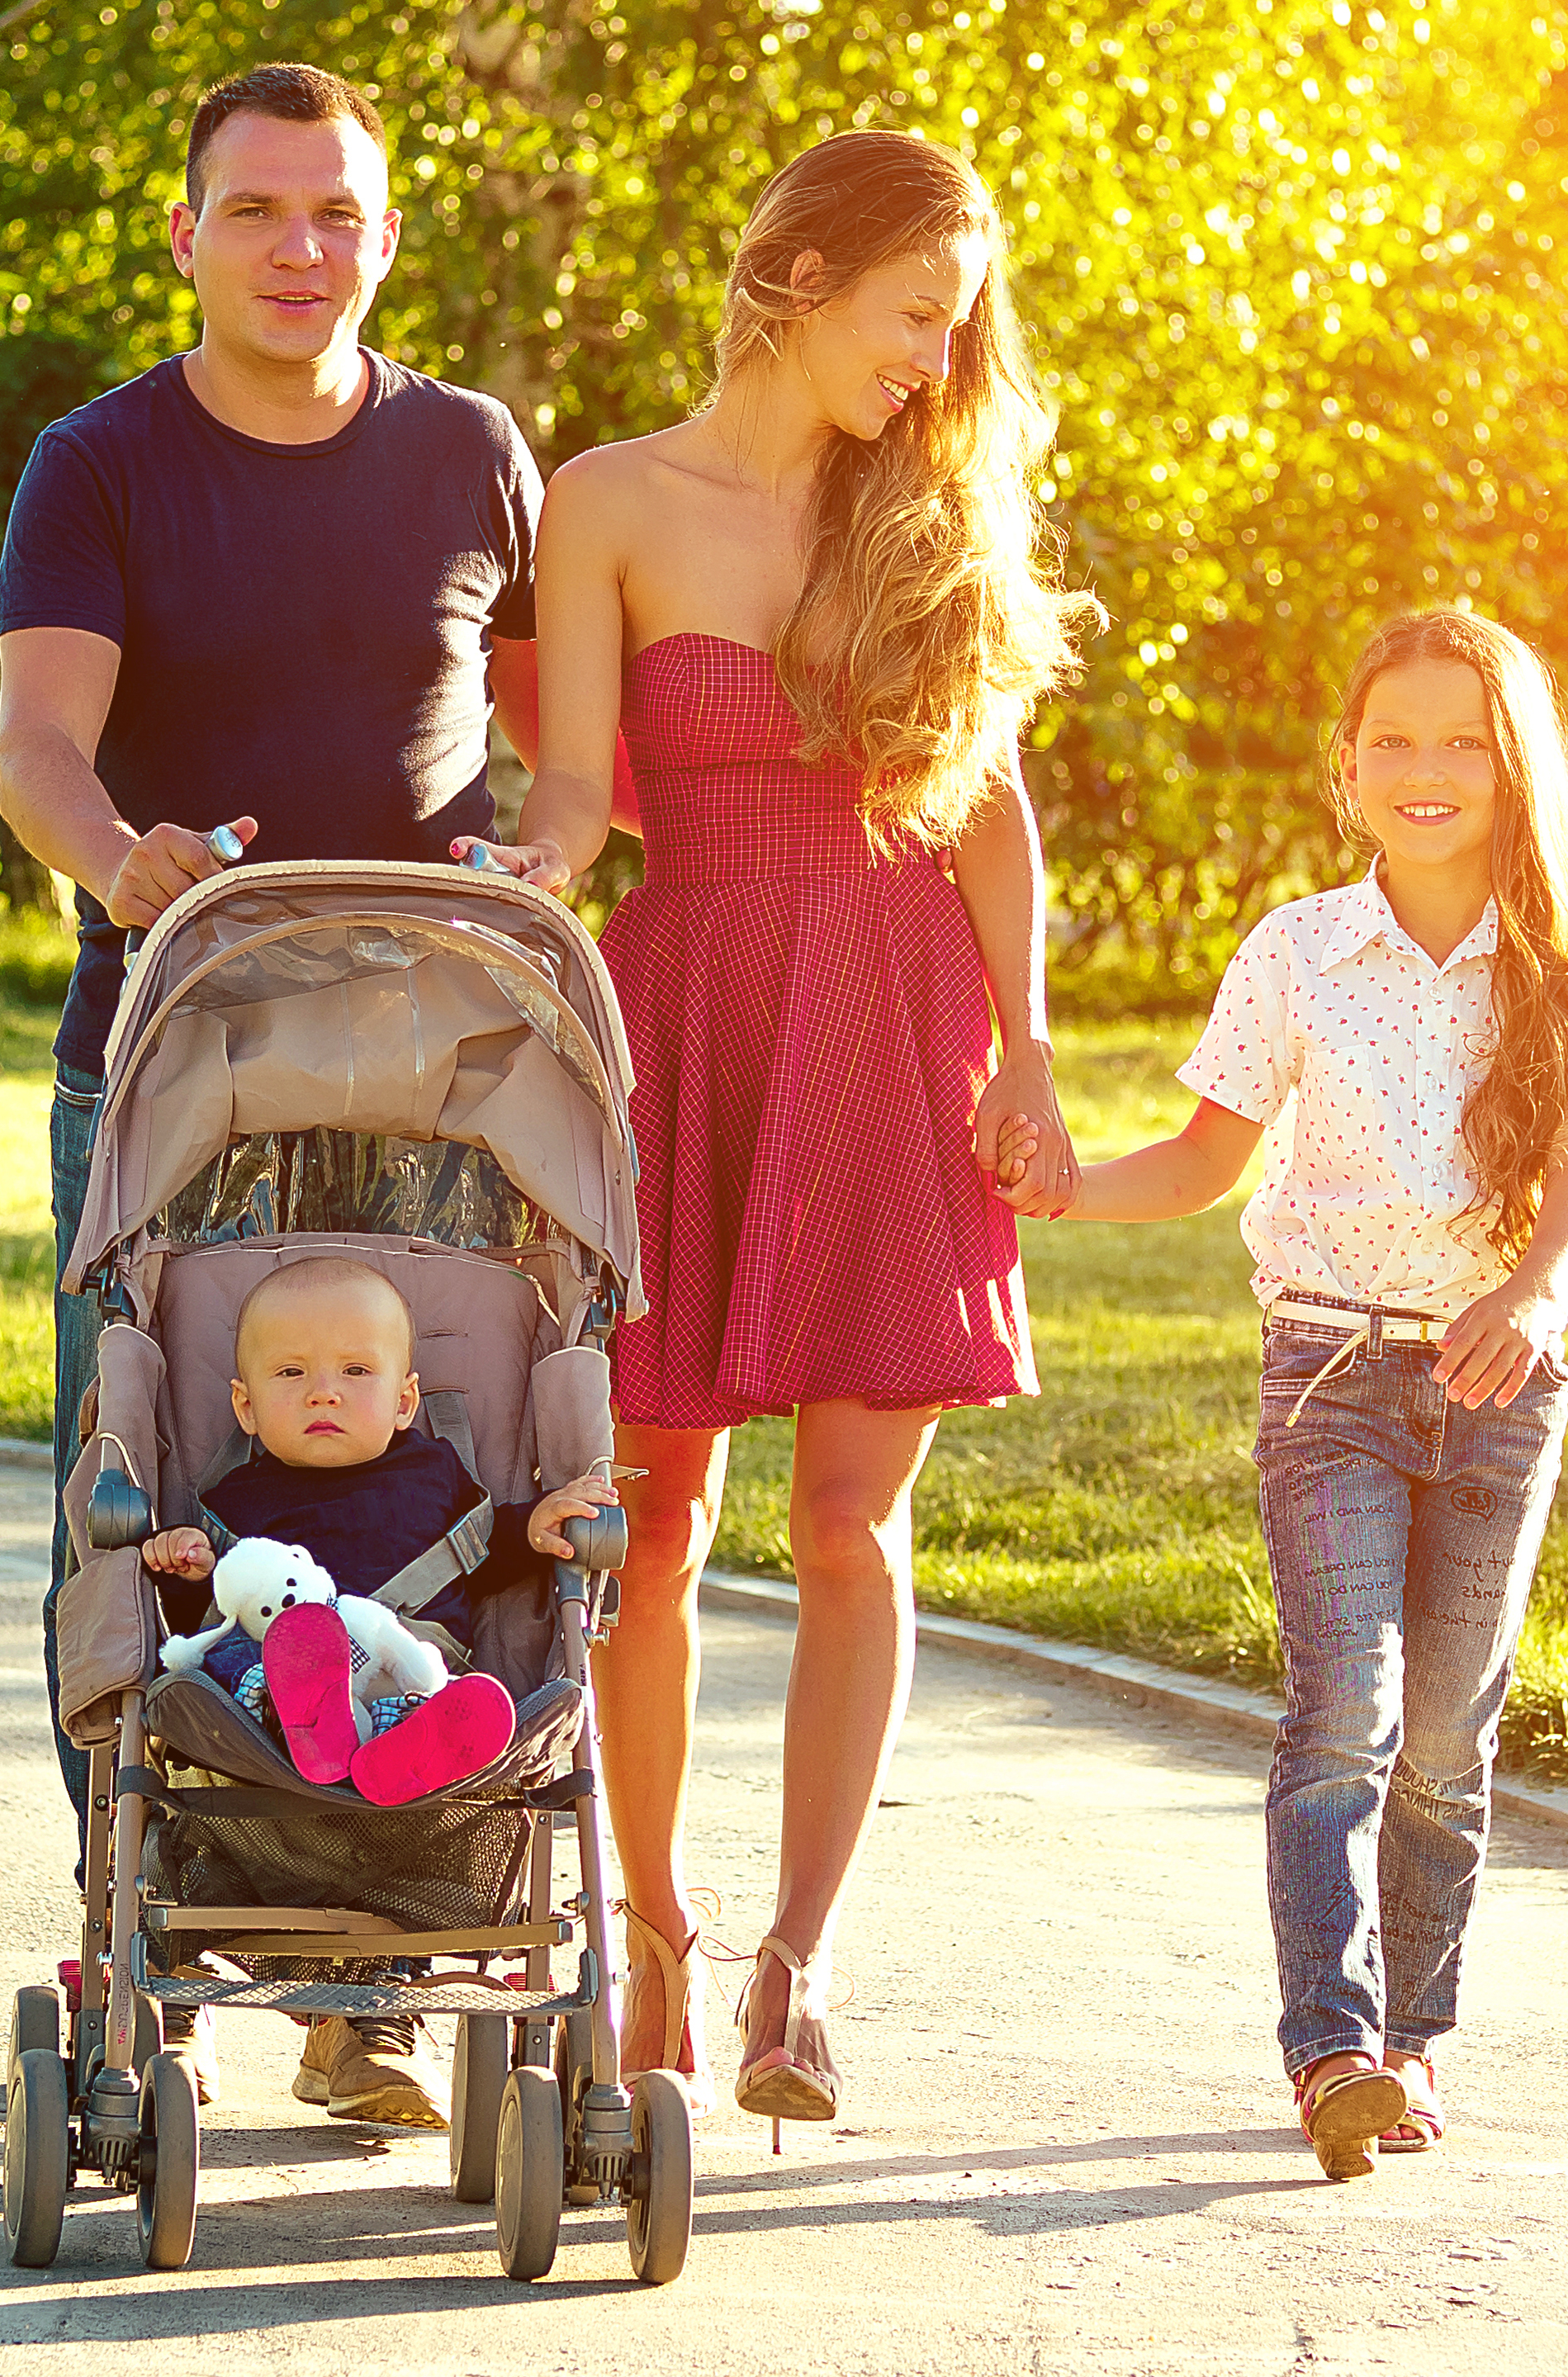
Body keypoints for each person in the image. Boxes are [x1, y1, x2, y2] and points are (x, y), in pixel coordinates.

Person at [459, 130, 1097, 2124]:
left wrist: (1031, 1054)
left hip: (895, 1023)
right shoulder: (608, 504)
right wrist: (514, 874)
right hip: (693, 1008)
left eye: (954, 326)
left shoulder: (926, 513)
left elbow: (981, 802)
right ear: (795, 278)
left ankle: (791, 1965)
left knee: (848, 1522)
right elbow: (575, 794)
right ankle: (646, 1930)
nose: (933, 358)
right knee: (648, 1525)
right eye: (913, 312)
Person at [0, 58, 551, 2121]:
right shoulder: (102, 464)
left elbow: (559, 749)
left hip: (437, 1090)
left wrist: (559, 841)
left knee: (419, 1502)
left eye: (337, 214)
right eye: (258, 212)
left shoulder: (474, 453)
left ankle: (377, 1979)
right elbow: (39, 749)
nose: (299, 250)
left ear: (382, 237)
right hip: (174, 1071)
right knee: (140, 1502)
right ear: (185, 237)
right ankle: (135, 1927)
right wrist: (116, 855)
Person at [999, 608, 1568, 2179]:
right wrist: (1058, 1191)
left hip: (1499, 1378)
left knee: (1445, 1730)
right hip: (1330, 1372)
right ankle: (1333, 2049)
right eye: (1391, 740)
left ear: (1512, 769)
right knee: (1343, 1710)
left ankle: (1414, 2041)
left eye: (1458, 741)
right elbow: (1200, 1159)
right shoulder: (1294, 949)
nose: (1422, 770)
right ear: (1347, 764)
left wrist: (1533, 1289)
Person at [138, 1257, 618, 1800]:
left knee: (436, 1698)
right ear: (246, 1406)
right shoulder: (235, 1499)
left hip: (405, 1661)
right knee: (243, 1665)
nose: (323, 1392)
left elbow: (479, 1551)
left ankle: (408, 1748)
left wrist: (533, 1526)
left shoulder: (432, 1472)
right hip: (277, 1709)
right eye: (291, 1372)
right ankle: (325, 1727)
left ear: (404, 1402)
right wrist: (186, 1568)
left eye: (356, 1371)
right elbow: (210, 1612)